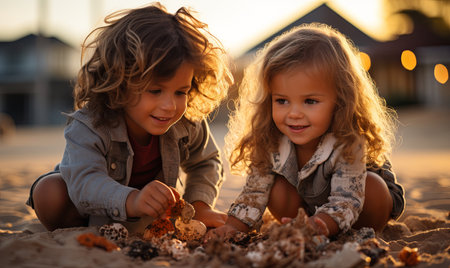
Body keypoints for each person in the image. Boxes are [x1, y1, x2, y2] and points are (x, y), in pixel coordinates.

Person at [26, 3, 233, 232]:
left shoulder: (187, 122)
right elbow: (85, 182)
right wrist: (132, 200)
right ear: (120, 83)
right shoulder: (89, 124)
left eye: (181, 92)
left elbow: (206, 162)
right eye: (155, 91)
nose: (170, 106)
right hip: (91, 208)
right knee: (48, 192)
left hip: (150, 214)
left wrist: (199, 205)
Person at [206, 23, 404, 240]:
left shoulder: (348, 141)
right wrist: (233, 226)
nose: (294, 113)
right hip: (308, 206)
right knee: (275, 188)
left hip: (360, 206)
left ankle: (325, 228)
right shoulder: (270, 139)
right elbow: (253, 193)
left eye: (310, 101)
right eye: (282, 100)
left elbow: (346, 200)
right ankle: (301, 225)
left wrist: (319, 225)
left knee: (373, 187)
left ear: (340, 101)